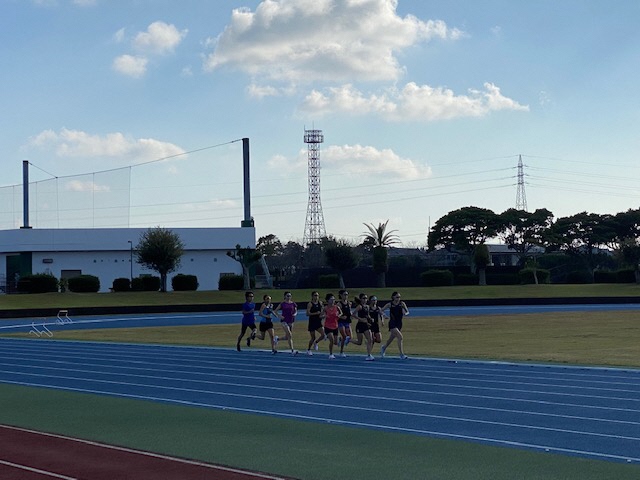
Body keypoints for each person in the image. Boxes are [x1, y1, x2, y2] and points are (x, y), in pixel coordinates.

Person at [380, 291, 409, 359]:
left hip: (399, 323)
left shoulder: (402, 303)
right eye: (397, 297)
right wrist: (384, 316)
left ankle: (384, 347)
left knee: (391, 338)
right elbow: (381, 310)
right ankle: (401, 354)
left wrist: (405, 313)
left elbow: (407, 311)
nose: (398, 298)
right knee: (400, 337)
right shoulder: (390, 304)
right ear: (393, 297)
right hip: (392, 323)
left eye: (399, 297)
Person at [350, 293, 375, 361]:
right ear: (361, 299)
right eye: (364, 298)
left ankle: (369, 355)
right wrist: (360, 319)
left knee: (370, 339)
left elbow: (367, 315)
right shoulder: (359, 306)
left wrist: (370, 319)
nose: (365, 300)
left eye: (366, 298)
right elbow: (353, 314)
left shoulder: (367, 306)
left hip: (366, 325)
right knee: (359, 342)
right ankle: (349, 340)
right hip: (360, 325)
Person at [322, 293, 342, 359]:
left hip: (335, 326)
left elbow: (341, 313)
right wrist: (324, 316)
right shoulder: (325, 308)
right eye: (331, 299)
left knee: (335, 343)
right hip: (328, 326)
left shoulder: (337, 307)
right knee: (332, 340)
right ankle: (331, 354)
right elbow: (321, 316)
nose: (333, 301)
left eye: (334, 299)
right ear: (328, 300)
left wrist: (339, 315)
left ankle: (338, 339)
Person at [306, 291, 325, 356]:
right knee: (313, 337)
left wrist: (322, 315)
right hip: (312, 322)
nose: (316, 297)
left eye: (317, 295)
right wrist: (315, 313)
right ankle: (308, 349)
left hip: (319, 322)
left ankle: (316, 342)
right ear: (312, 296)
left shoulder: (320, 303)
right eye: (315, 295)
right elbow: (307, 313)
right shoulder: (310, 304)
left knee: (323, 334)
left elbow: (322, 311)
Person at [337, 289, 352, 357]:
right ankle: (341, 351)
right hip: (341, 322)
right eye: (344, 295)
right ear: (341, 295)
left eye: (347, 295)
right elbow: (336, 314)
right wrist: (342, 317)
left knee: (350, 337)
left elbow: (350, 311)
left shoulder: (349, 303)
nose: (346, 296)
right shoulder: (339, 304)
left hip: (347, 321)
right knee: (344, 336)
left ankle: (340, 340)